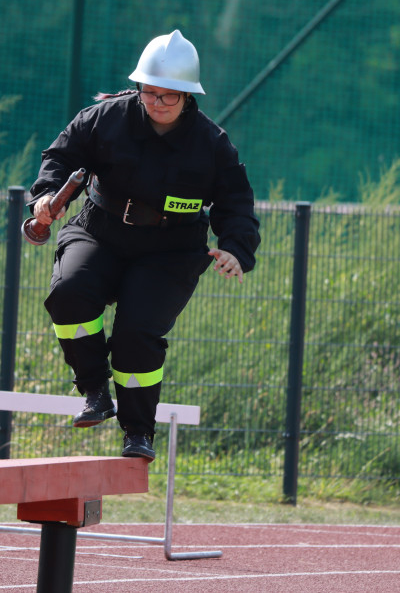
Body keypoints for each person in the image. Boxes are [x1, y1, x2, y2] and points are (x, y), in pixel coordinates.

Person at [28, 30, 261, 461]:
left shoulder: (212, 144)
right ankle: (95, 391)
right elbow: (60, 157)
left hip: (171, 251)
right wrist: (45, 194)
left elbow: (237, 201)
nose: (156, 103)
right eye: (149, 92)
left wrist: (236, 247)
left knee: (137, 334)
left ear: (189, 96)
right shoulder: (104, 118)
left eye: (169, 96)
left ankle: (138, 433)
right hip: (99, 229)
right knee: (68, 294)